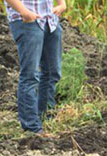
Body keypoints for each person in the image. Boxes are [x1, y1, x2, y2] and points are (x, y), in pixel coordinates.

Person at [4, 0, 66, 135]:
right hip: (27, 21)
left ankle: (46, 117)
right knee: (30, 75)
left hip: (50, 21)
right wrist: (24, 12)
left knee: (52, 72)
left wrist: (62, 4)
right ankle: (31, 127)